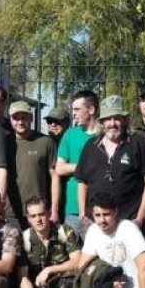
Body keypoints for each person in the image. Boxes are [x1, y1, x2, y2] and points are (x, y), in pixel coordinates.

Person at [75, 95, 145, 236]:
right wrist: (83, 213)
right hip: (95, 224)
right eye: (108, 119)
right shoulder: (91, 146)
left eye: (117, 118)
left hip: (128, 224)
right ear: (101, 122)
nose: (112, 123)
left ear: (124, 120)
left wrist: (139, 219)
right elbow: (82, 181)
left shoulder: (138, 144)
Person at [15, 197, 82, 288]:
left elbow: (78, 261)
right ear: (28, 218)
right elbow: (23, 278)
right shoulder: (24, 239)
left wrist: (49, 270)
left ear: (49, 213)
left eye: (41, 214)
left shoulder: (64, 231)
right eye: (33, 216)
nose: (38, 220)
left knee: (70, 281)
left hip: (60, 285)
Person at [5, 100, 60, 224]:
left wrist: (54, 209)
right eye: (16, 118)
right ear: (10, 119)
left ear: (31, 118)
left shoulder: (45, 142)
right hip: (10, 213)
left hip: (38, 213)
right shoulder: (4, 142)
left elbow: (55, 176)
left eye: (24, 118)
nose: (20, 122)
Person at [55, 90, 100, 232]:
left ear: (91, 109)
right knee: (73, 251)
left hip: (101, 208)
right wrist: (84, 166)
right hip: (73, 209)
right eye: (72, 110)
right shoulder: (70, 134)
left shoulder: (105, 135)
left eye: (77, 109)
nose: (73, 114)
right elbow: (60, 168)